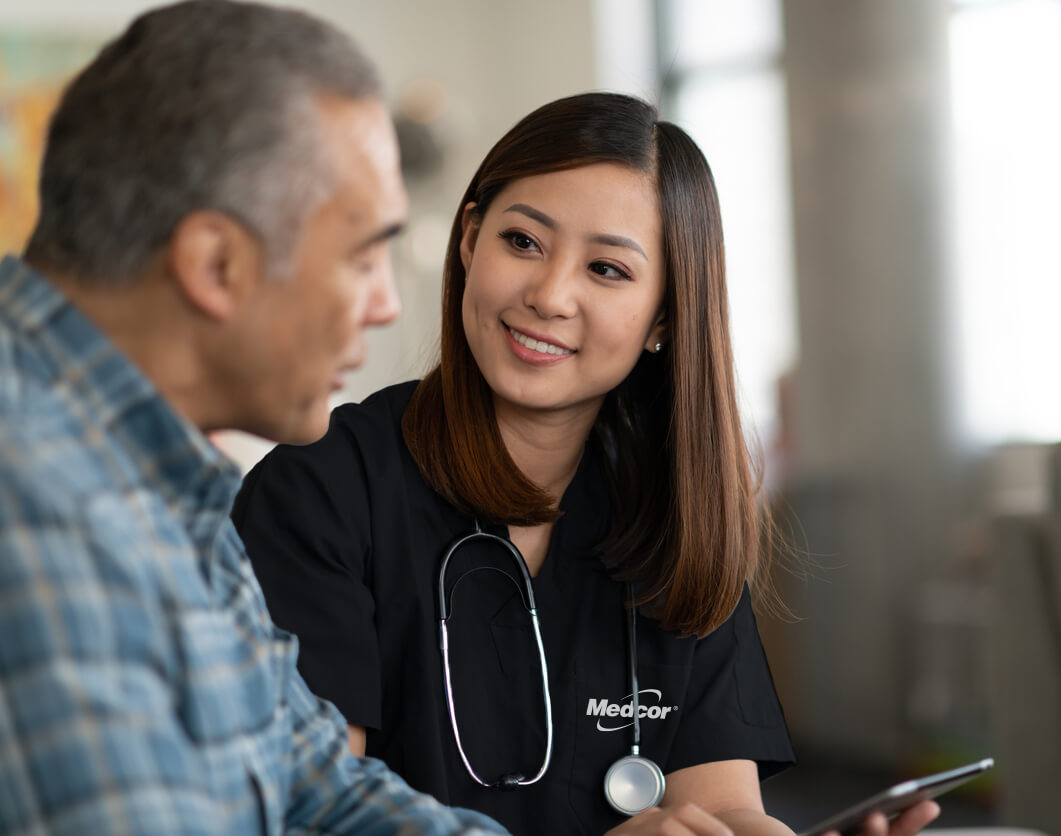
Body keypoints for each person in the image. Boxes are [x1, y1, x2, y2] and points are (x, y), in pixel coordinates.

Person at [231, 92, 941, 836]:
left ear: (664, 316)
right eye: (523, 242)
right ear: (470, 240)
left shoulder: (673, 510)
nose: (549, 295)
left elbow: (721, 806)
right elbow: (312, 812)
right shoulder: (319, 489)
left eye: (606, 269)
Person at [0, 2, 508, 834]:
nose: (386, 304)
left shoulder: (167, 484)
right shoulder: (37, 508)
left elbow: (321, 789)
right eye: (363, 255)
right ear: (216, 264)